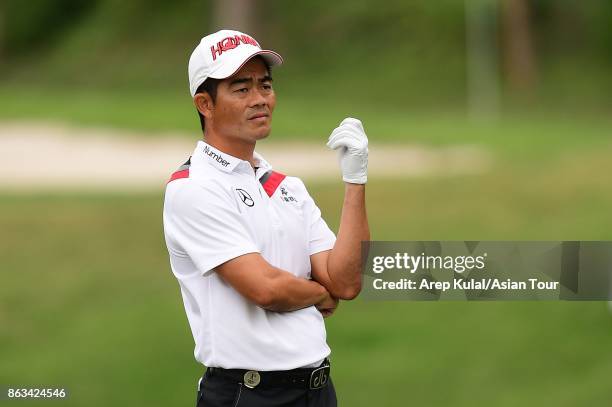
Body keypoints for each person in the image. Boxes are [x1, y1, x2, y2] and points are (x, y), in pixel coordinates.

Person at [163, 29, 369, 407]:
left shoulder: (285, 186)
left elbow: (347, 280)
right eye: (242, 89)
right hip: (249, 394)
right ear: (205, 104)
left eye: (265, 85)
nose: (260, 100)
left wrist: (355, 181)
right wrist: (321, 293)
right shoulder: (193, 188)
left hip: (318, 389)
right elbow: (267, 289)